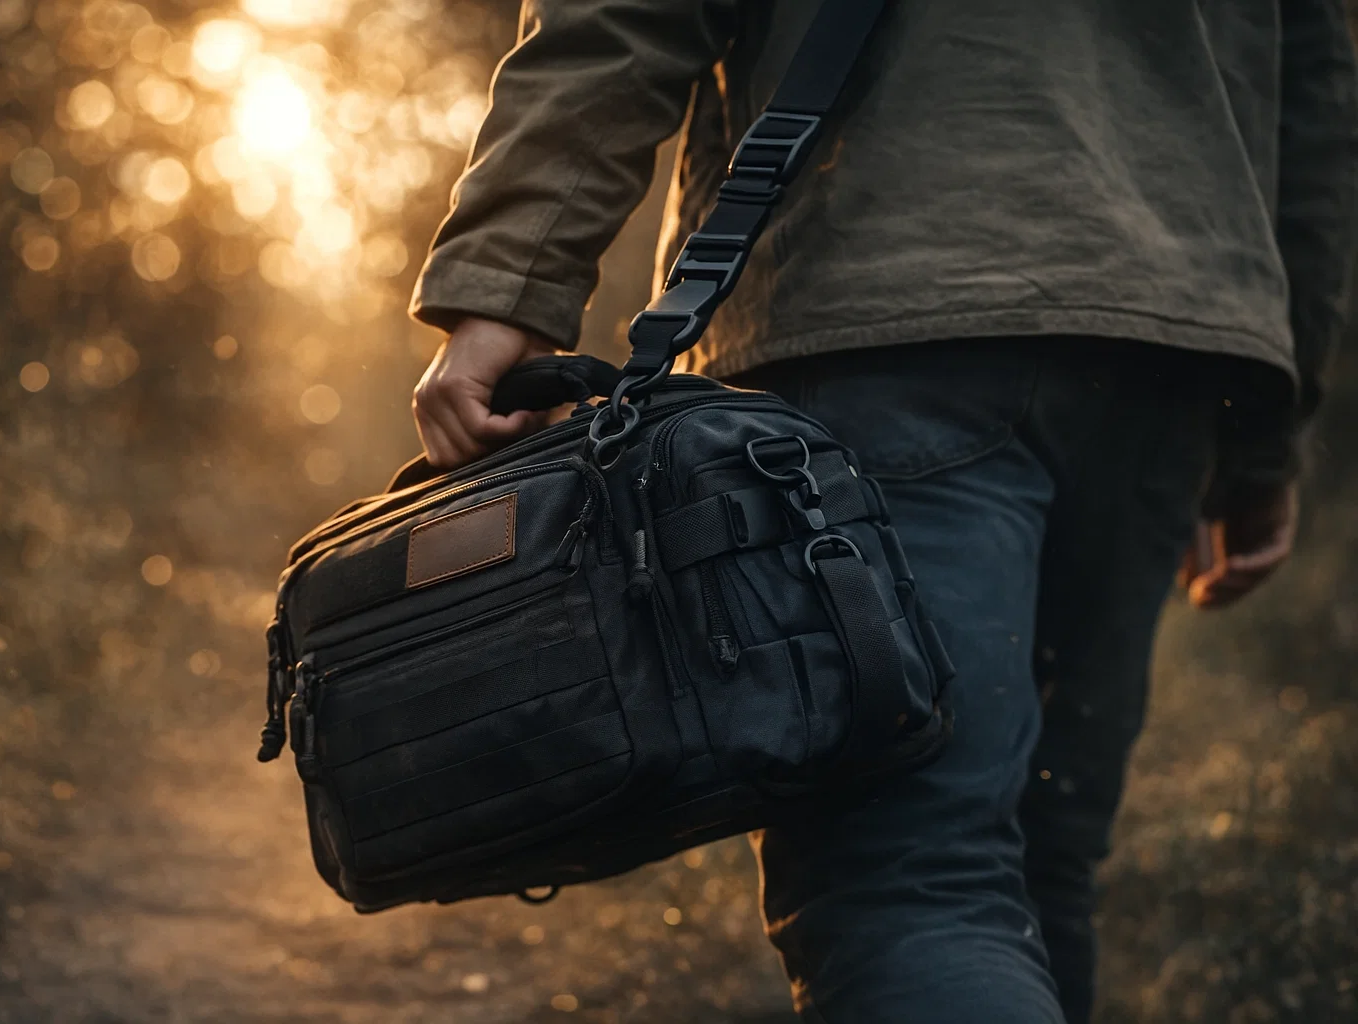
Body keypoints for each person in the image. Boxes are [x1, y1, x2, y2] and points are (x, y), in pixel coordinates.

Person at [405, 1, 1358, 1021]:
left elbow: (623, 15)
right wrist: (1266, 431)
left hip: (878, 305)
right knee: (1039, 869)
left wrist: (506, 287)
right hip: (1170, 353)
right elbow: (1313, 99)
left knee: (907, 877)